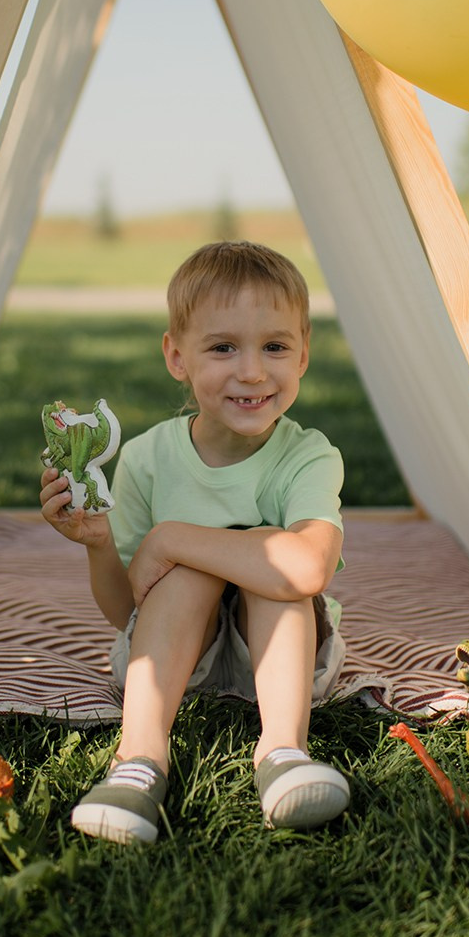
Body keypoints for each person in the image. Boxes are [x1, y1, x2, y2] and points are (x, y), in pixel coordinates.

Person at [39, 239, 349, 845]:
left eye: (276, 347)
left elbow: (310, 567)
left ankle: (283, 753)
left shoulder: (309, 455)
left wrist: (174, 537)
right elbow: (128, 611)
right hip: (176, 656)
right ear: (176, 356)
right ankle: (138, 763)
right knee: (189, 573)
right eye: (223, 347)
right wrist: (100, 546)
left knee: (274, 560)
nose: (253, 371)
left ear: (305, 352)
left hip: (288, 660)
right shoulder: (149, 458)